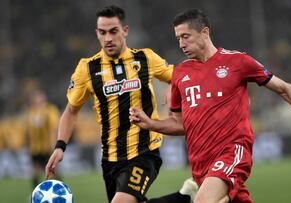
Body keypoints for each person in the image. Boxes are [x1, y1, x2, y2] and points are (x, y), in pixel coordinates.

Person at [129, 9, 291, 203]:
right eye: (178, 38)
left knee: (203, 200)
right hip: (201, 164)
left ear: (204, 32)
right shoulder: (180, 74)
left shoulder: (237, 61)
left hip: (232, 152)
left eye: (186, 36)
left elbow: (284, 89)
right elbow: (180, 124)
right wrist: (150, 124)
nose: (181, 44)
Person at [45, 5, 196, 203]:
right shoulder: (87, 69)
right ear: (97, 34)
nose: (108, 38)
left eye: (113, 31)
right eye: (102, 32)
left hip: (145, 152)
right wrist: (60, 146)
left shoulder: (145, 58)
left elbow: (180, 77)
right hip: (110, 159)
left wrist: (173, 88)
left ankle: (184, 198)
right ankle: (185, 198)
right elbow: (71, 111)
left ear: (125, 30)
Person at [25, 90, 60, 188]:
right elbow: (29, 131)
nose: (37, 100)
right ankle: (34, 194)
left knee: (53, 171)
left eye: (39, 97)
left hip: (48, 147)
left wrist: (54, 145)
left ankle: (59, 192)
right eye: (35, 98)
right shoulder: (31, 111)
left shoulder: (50, 110)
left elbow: (54, 128)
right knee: (35, 173)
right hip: (35, 148)